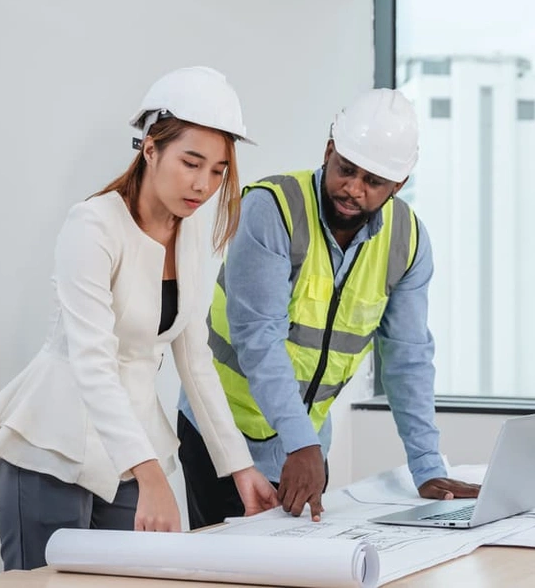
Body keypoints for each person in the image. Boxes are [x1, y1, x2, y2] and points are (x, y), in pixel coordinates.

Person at [0, 67, 279, 569]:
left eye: (218, 170)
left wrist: (240, 468)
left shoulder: (190, 233)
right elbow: (92, 361)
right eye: (191, 162)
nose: (203, 184)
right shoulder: (92, 225)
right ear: (149, 149)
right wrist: (153, 476)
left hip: (130, 451)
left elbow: (195, 361)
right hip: (56, 441)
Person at [178, 88, 479, 528]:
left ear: (399, 185)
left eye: (373, 181)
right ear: (329, 149)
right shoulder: (272, 209)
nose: (353, 189)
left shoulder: (407, 241)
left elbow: (407, 359)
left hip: (308, 446)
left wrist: (428, 466)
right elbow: (258, 339)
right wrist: (302, 446)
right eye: (346, 169)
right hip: (223, 437)